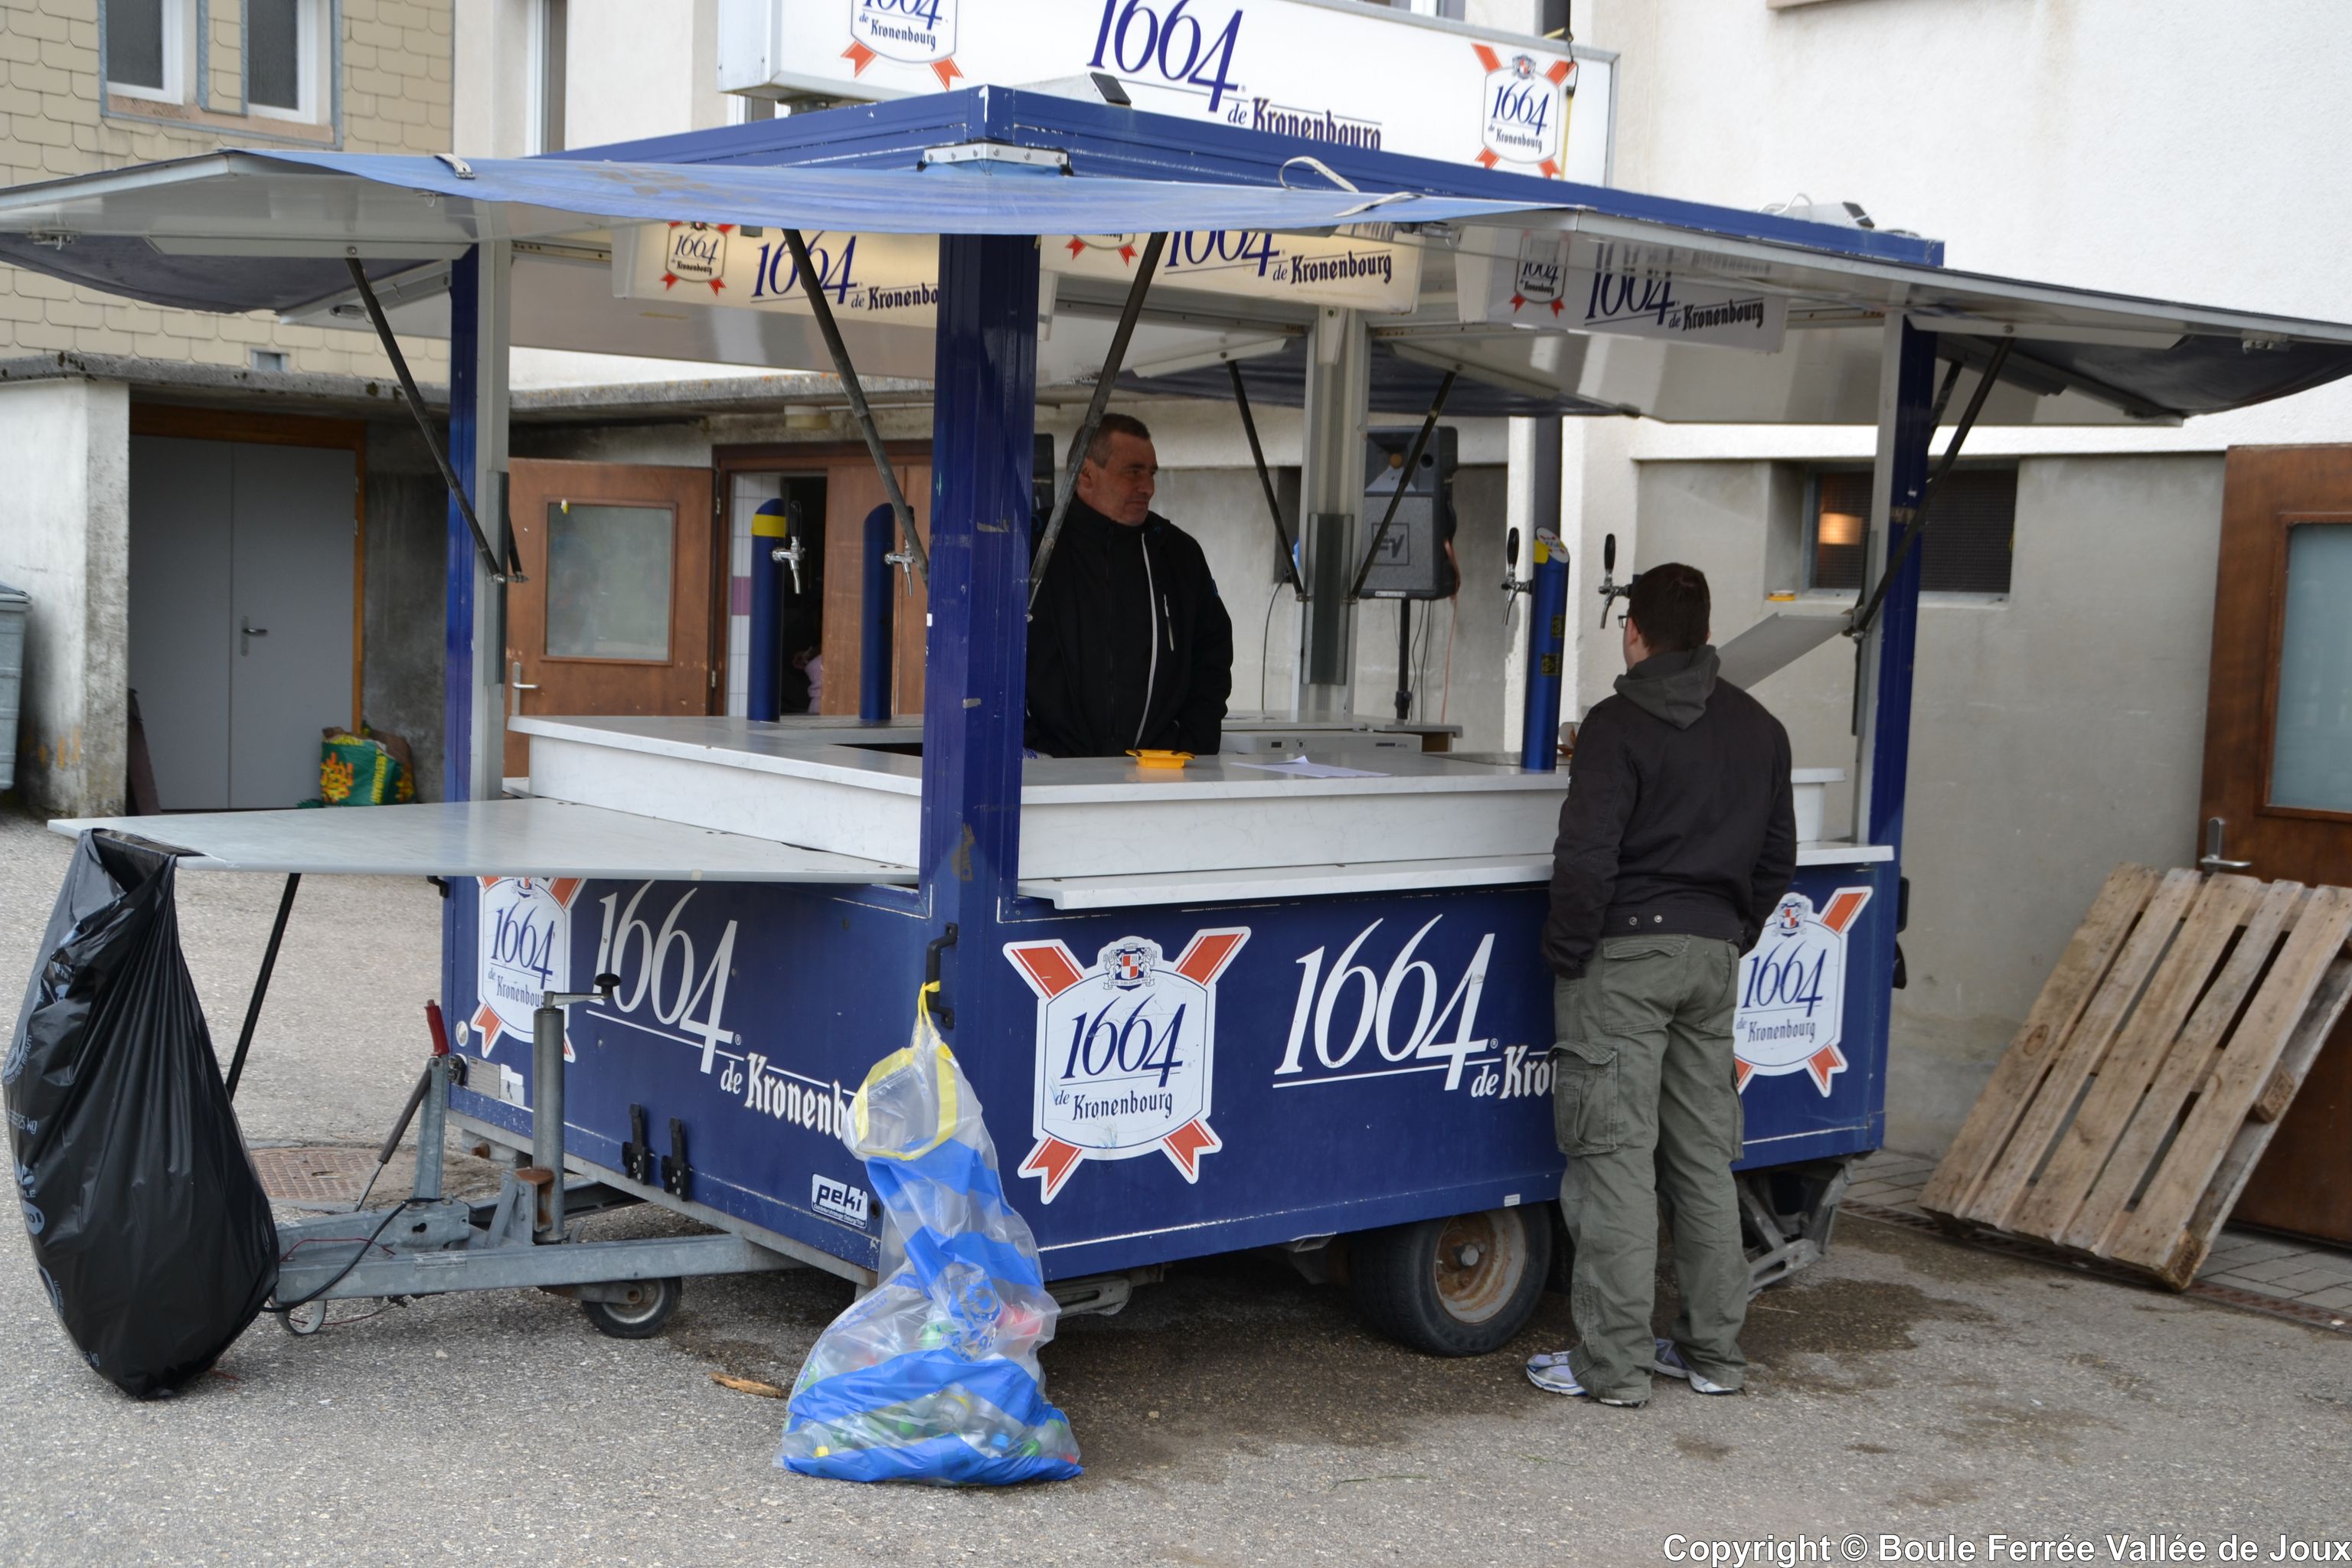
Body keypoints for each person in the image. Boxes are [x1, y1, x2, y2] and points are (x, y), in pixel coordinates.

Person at [1525, 562, 1795, 1409]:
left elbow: (1586, 856)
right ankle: (1714, 1355)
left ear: (1632, 632)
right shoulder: (1761, 727)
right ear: (1708, 634)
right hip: (1713, 959)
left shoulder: (1617, 724)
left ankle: (1612, 1367)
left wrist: (1569, 951)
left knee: (1614, 1163)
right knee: (1703, 1163)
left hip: (1624, 959)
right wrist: (1731, 932)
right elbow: (1776, 859)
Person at [1026, 413, 1233, 758]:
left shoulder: (1177, 554)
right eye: (1133, 472)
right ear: (1086, 474)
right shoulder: (1029, 546)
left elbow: (1213, 653)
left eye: (1152, 473)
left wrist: (1193, 740)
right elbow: (983, 653)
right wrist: (1026, 745)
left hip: (1156, 774)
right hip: (1045, 773)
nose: (1148, 488)